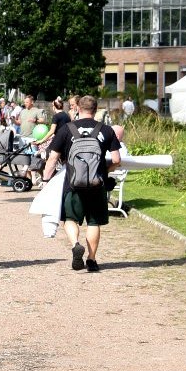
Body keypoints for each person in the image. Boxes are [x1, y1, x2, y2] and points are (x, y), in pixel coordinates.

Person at [42, 95, 123, 273]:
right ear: (96, 110)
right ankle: (92, 260)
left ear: (78, 108)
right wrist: (104, 170)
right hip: (97, 184)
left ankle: (75, 244)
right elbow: (116, 159)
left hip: (73, 184)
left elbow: (53, 158)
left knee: (70, 219)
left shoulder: (66, 129)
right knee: (94, 222)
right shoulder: (107, 130)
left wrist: (46, 180)